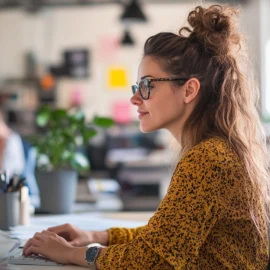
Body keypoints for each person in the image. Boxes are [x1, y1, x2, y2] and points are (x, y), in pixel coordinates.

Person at [23, 5, 270, 269]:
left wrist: (72, 254)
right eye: (137, 86)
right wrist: (96, 236)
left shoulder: (209, 158)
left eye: (147, 85)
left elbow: (154, 260)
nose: (135, 98)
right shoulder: (215, 151)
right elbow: (167, 239)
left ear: (188, 90)